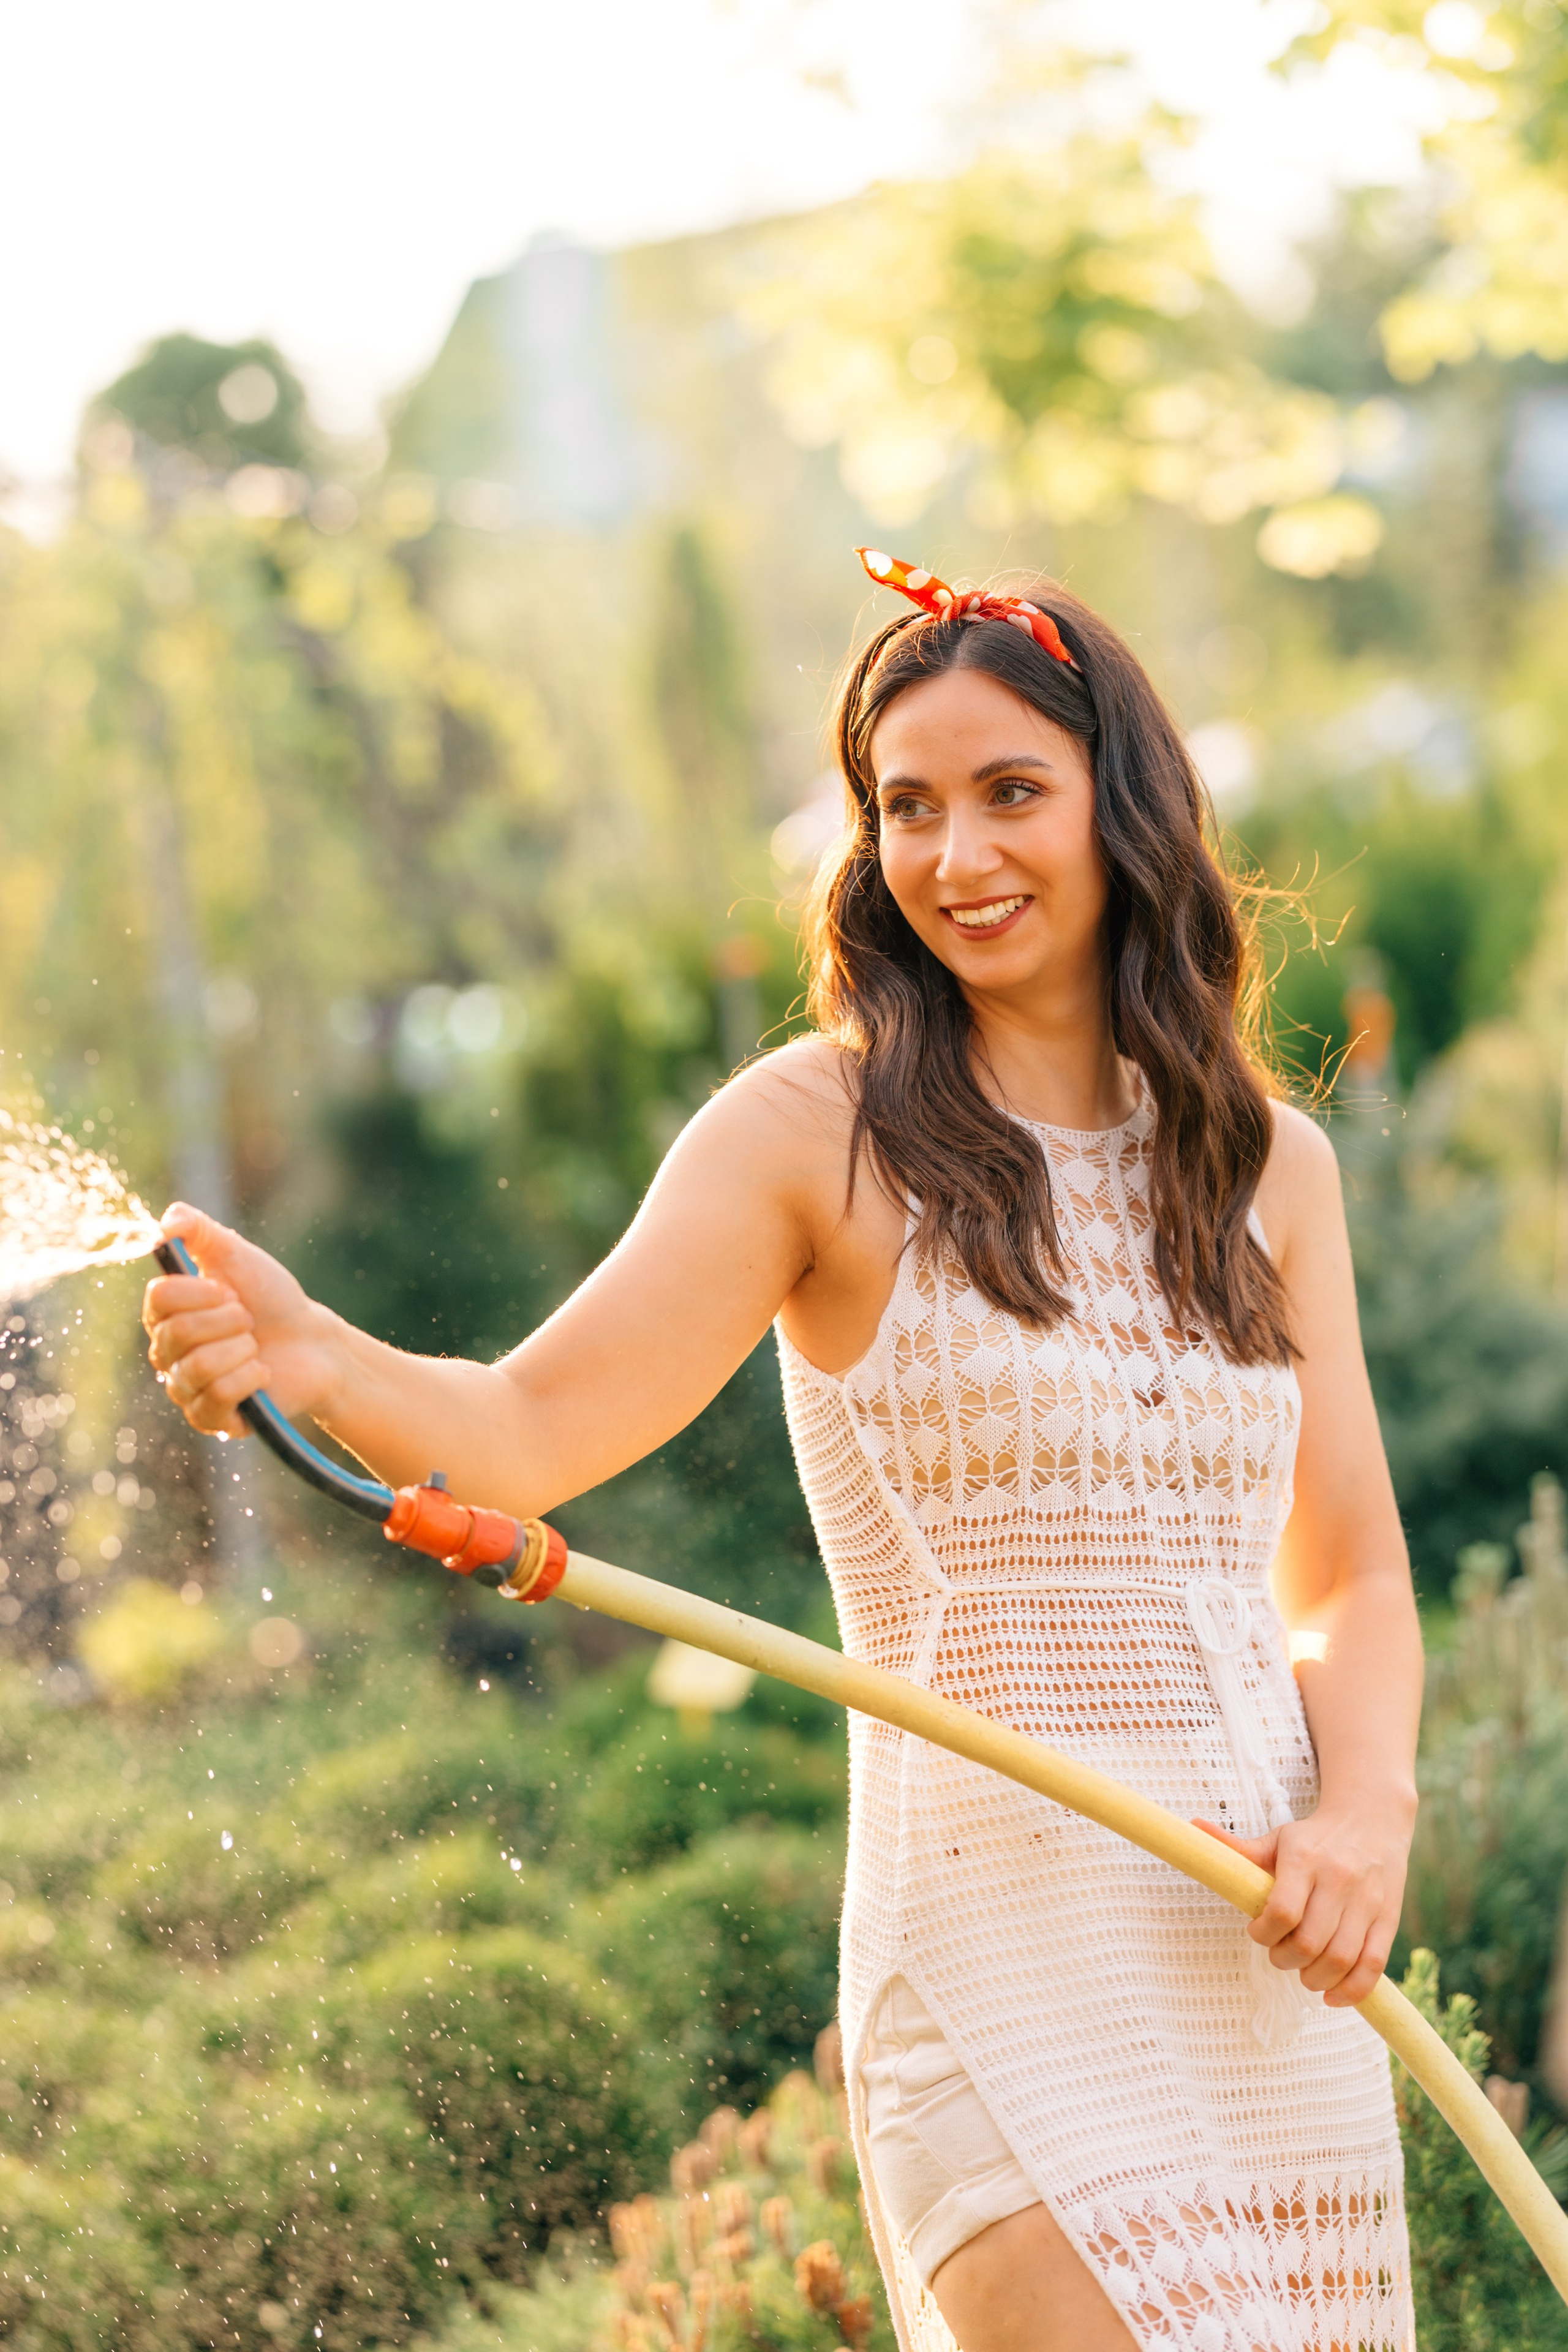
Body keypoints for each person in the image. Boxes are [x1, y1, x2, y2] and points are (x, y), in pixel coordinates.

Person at [145, 551, 1423, 2352]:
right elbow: (522, 1431)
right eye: (905, 807)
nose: (955, 856)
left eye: (1009, 795)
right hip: (1002, 1974)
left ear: (1125, 811)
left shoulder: (1272, 1169)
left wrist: (1367, 1814)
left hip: (1262, 1974)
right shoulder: (816, 1133)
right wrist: (312, 1354)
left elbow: (1351, 1571)